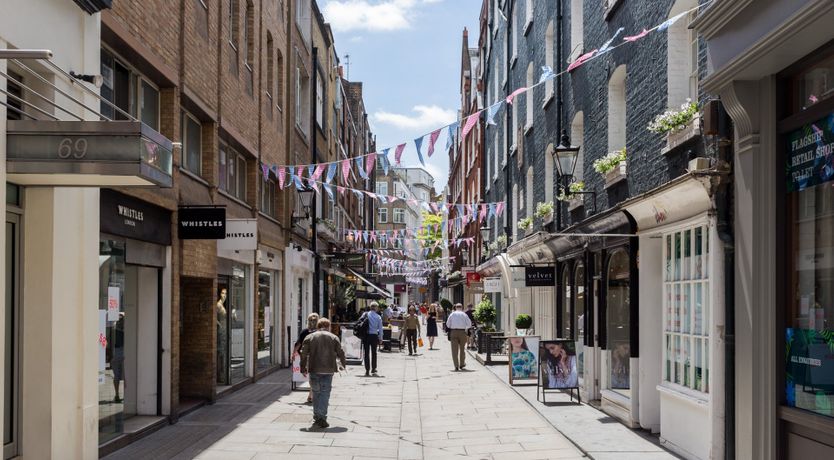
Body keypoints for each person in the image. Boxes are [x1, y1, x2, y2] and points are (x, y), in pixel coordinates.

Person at [300, 318, 346, 429]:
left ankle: (317, 417)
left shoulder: (310, 337)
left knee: (316, 393)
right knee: (325, 394)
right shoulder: (334, 337)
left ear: (318, 326)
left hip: (314, 369)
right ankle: (322, 418)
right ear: (328, 326)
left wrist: (303, 367)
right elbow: (341, 352)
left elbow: (303, 353)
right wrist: (343, 364)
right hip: (328, 370)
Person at [293, 313, 320, 403]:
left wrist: (293, 354)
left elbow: (298, 344)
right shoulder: (320, 332)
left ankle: (311, 394)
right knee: (315, 375)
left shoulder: (304, 332)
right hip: (317, 356)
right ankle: (312, 393)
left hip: (307, 357)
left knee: (311, 375)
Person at [445, 303, 472, 371]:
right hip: (462, 332)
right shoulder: (464, 314)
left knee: (454, 350)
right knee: (462, 349)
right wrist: (465, 328)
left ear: (456, 307)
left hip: (453, 332)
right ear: (462, 307)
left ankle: (456, 365)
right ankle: (462, 364)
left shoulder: (452, 314)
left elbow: (448, 324)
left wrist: (452, 327)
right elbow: (469, 324)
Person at [360, 302, 383, 376]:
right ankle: (373, 368)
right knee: (374, 352)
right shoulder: (378, 317)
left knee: (366, 353)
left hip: (366, 335)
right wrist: (380, 338)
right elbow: (380, 329)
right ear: (376, 308)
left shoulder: (365, 314)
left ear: (370, 307)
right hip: (374, 336)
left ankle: (367, 370)